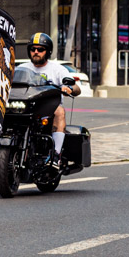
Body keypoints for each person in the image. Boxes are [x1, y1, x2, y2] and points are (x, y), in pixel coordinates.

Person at [22, 32, 81, 165]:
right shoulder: (21, 69)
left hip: (48, 108)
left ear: (47, 52)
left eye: (40, 49)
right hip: (25, 107)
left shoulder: (58, 70)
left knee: (59, 111)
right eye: (33, 49)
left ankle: (56, 154)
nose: (36, 52)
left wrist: (69, 89)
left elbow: (76, 88)